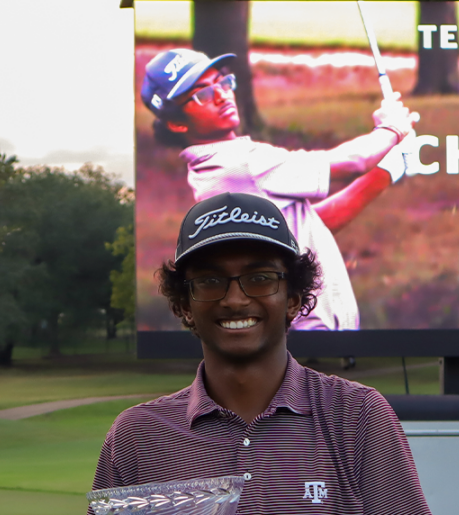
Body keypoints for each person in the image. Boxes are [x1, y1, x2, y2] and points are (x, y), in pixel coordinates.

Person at [76, 192, 444, 515]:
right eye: (210, 281)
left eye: (260, 278)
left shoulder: (359, 416)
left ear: (293, 297)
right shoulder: (138, 434)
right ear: (183, 304)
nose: (234, 299)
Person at [141, 48, 419, 331]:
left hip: (319, 340)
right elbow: (352, 162)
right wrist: (391, 128)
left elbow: (313, 224)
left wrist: (388, 169)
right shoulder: (239, 164)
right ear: (176, 123)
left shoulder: (214, 167)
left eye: (223, 83)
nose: (222, 95)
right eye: (202, 94)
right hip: (311, 338)